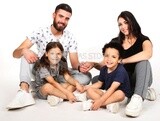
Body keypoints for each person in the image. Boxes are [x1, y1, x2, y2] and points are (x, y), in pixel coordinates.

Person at [7, 3, 91, 110]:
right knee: (25, 56)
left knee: (87, 76)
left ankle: (51, 92)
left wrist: (81, 67)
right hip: (42, 70)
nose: (63, 21)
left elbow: (74, 64)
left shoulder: (70, 37)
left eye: (67, 18)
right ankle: (24, 92)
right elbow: (15, 54)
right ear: (54, 15)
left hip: (60, 72)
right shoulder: (40, 32)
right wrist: (24, 50)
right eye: (60, 16)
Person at [82, 11, 156, 117]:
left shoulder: (143, 40)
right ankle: (140, 91)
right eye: (120, 24)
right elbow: (107, 63)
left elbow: (148, 54)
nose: (123, 26)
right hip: (122, 79)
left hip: (139, 77)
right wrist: (93, 64)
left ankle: (138, 97)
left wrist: (123, 60)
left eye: (126, 22)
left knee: (144, 63)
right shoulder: (116, 41)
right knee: (97, 79)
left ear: (132, 22)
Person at [82, 42, 131, 113]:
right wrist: (87, 87)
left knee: (120, 93)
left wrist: (100, 101)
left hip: (121, 96)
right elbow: (99, 84)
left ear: (119, 60)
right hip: (107, 92)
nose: (109, 59)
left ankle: (98, 104)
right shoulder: (103, 69)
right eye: (106, 56)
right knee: (89, 90)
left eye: (113, 57)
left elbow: (112, 88)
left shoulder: (121, 71)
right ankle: (109, 105)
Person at [32, 42, 85, 106]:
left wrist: (77, 84)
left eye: (58, 54)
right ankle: (72, 97)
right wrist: (68, 93)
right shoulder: (42, 65)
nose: (55, 56)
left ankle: (57, 98)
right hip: (43, 89)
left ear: (62, 54)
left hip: (56, 87)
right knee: (48, 86)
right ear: (46, 54)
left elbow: (67, 77)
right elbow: (52, 82)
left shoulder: (61, 62)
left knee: (72, 84)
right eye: (52, 53)